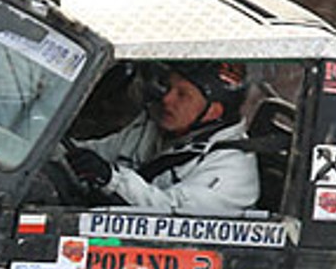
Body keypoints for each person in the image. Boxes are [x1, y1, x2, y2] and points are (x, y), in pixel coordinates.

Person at [63, 61, 260, 214]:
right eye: (169, 88)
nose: (167, 99)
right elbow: (95, 152)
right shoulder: (159, 127)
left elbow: (169, 214)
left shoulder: (231, 169)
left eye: (182, 95)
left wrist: (111, 179)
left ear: (213, 112)